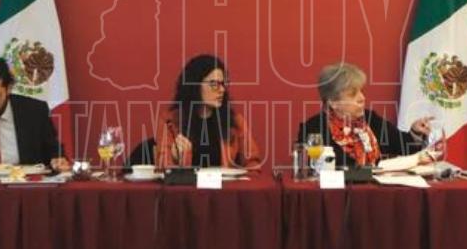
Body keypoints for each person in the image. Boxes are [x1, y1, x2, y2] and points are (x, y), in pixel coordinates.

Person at [295, 62, 432, 168]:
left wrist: (415, 132)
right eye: (353, 94)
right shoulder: (313, 129)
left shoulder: (370, 119)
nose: (362, 98)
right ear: (333, 103)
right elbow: (313, 169)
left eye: (361, 91)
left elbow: (402, 145)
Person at [154, 54, 262, 169]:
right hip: (187, 182)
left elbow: (253, 164)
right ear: (195, 85)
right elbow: (162, 166)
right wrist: (175, 158)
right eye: (214, 84)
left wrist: (243, 179)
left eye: (223, 84)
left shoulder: (235, 122)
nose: (222, 90)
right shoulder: (169, 121)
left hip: (224, 181)